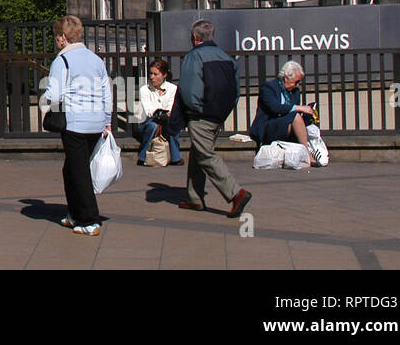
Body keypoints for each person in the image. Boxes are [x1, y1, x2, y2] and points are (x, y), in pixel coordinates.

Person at [44, 15, 112, 236]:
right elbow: (106, 92)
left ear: (63, 38)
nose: (56, 40)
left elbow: (54, 95)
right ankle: (74, 214)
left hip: (75, 123)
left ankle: (89, 219)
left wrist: (45, 95)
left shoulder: (61, 61)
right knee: (71, 169)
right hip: (96, 121)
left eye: (57, 36)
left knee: (79, 171)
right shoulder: (95, 60)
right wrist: (108, 121)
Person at [176, 20, 251, 218]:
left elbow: (189, 89)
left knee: (206, 154)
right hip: (219, 113)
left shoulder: (195, 56)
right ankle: (195, 197)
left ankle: (236, 193)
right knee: (199, 151)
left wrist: (195, 109)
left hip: (201, 113)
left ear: (195, 38)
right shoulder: (226, 57)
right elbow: (235, 90)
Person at [249, 61, 317, 158]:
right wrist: (299, 108)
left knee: (297, 118)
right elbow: (274, 108)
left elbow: (292, 110)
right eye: (296, 82)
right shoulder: (268, 87)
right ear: (286, 78)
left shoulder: (295, 91)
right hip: (269, 124)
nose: (297, 85)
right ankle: (307, 154)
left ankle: (301, 151)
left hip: (285, 124)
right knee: (295, 116)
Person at [136, 58, 183, 166]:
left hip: (166, 120)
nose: (152, 77)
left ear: (164, 75)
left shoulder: (173, 89)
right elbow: (148, 110)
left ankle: (176, 158)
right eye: (151, 74)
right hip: (149, 122)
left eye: (156, 74)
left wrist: (162, 114)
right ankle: (143, 157)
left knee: (170, 124)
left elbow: (171, 108)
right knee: (153, 125)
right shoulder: (145, 89)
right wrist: (160, 114)